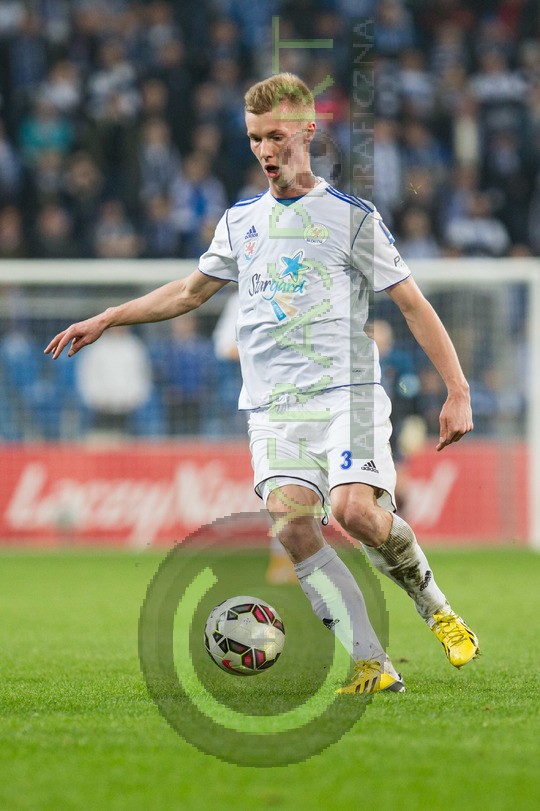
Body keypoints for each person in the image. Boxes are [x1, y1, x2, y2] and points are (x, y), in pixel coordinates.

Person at [45, 73, 478, 696]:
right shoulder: (239, 221)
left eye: (276, 136)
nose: (265, 150)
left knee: (356, 511)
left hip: (347, 393)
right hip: (274, 408)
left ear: (308, 131)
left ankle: (436, 608)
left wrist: (457, 390)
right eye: (254, 138)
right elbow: (188, 293)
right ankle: (371, 662)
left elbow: (412, 304)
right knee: (293, 525)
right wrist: (110, 317)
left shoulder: (351, 218)